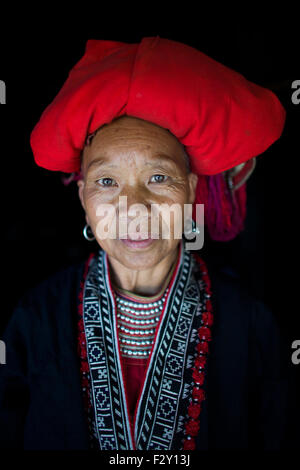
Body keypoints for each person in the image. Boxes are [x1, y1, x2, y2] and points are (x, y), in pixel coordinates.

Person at [0, 36, 290, 450]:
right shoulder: (34, 318)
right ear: (83, 199)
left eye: (158, 177)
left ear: (190, 191)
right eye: (106, 181)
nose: (133, 206)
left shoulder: (253, 325)